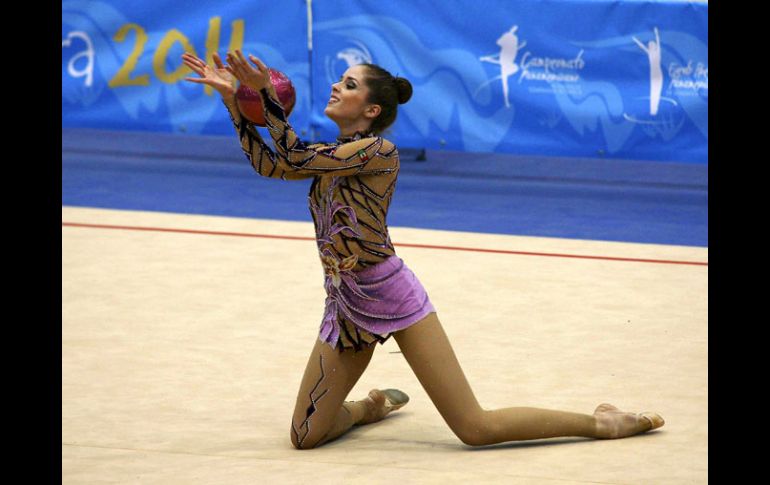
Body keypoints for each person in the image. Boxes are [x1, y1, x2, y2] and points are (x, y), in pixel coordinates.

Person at [181, 50, 665, 450]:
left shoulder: (375, 152)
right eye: (339, 81)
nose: (335, 87)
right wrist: (234, 103)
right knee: (305, 435)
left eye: (349, 85)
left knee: (475, 428)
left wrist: (264, 94)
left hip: (389, 293)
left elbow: (289, 155)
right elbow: (274, 166)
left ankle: (602, 421)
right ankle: (371, 406)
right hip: (344, 303)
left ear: (372, 110)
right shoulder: (332, 158)